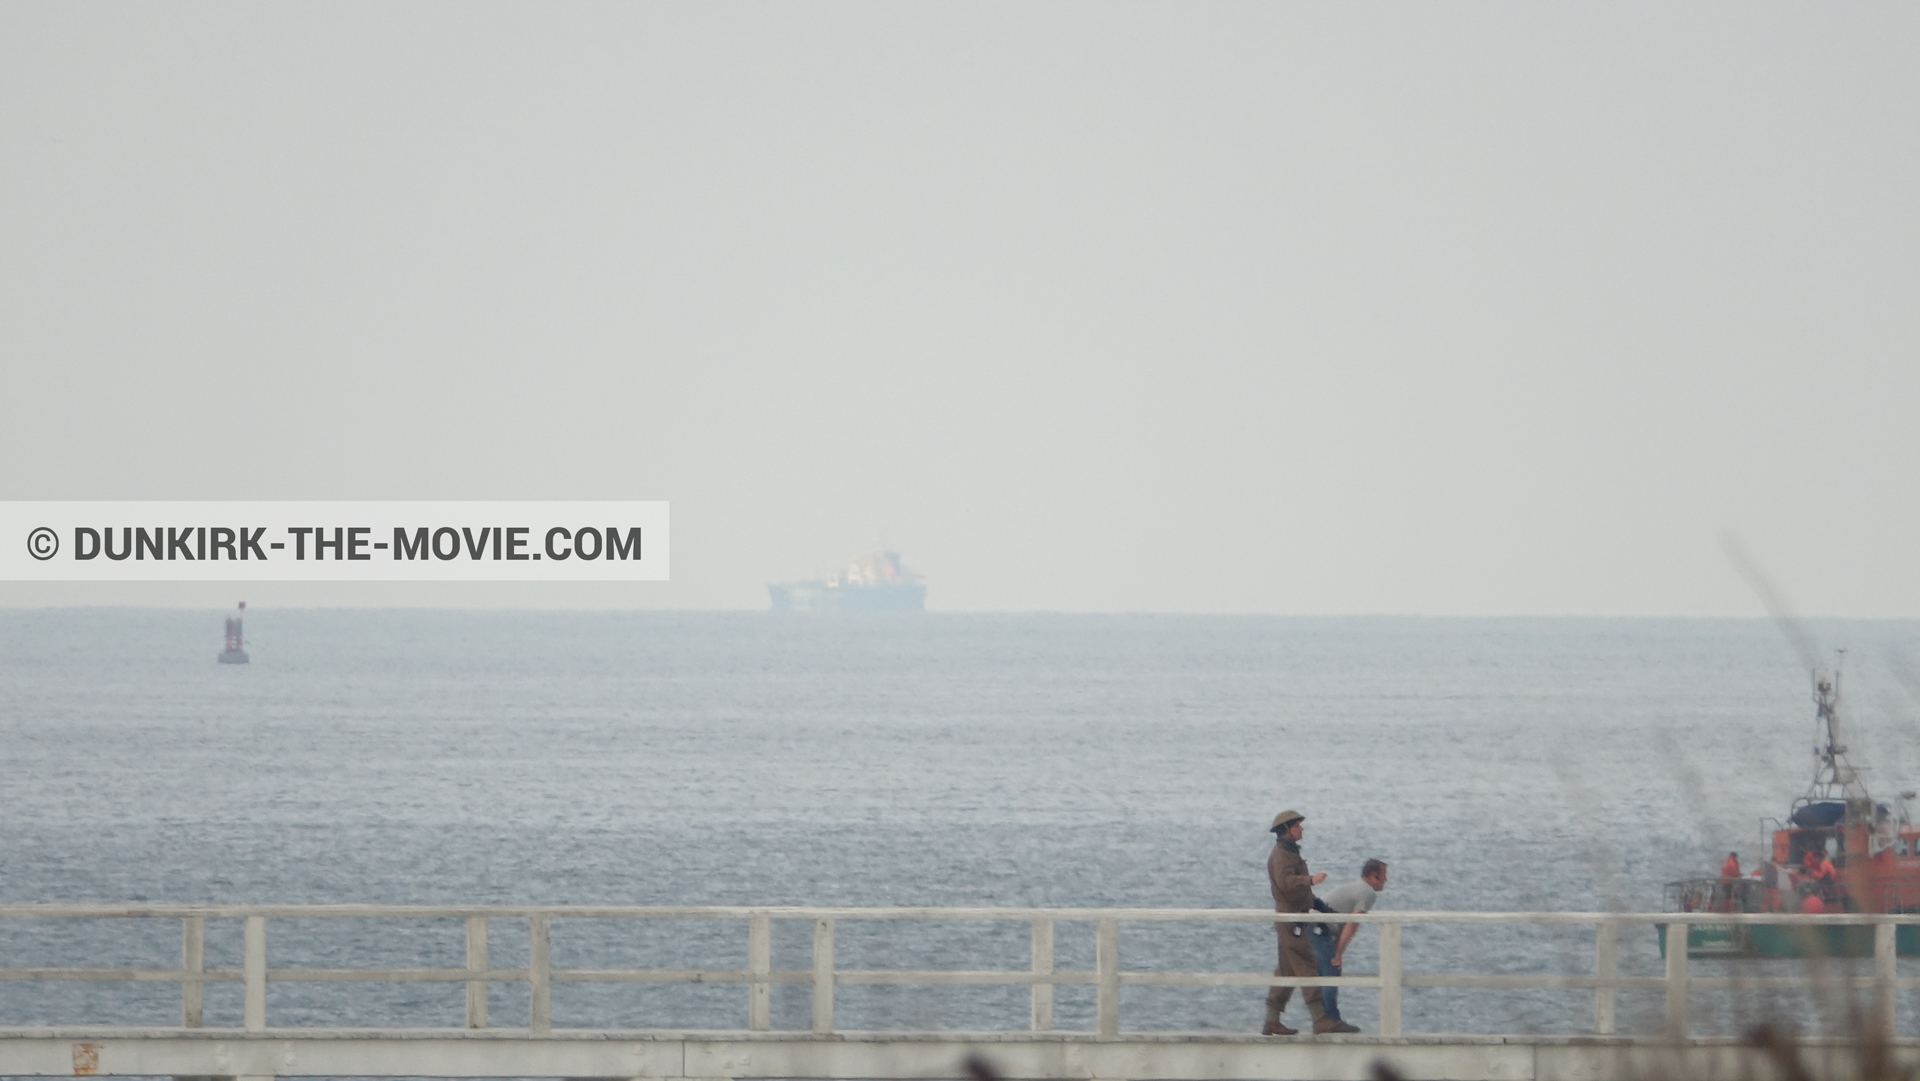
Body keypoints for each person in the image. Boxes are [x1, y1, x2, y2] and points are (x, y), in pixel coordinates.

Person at [1263, 810, 1334, 1036]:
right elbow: (1286, 883)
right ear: (1286, 830)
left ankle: (1272, 1020)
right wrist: (1310, 879)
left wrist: (1320, 906)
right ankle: (1320, 1018)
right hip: (1290, 919)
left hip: (1294, 917)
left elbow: (1299, 891)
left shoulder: (1289, 853)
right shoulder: (1281, 855)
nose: (1301, 829)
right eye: (1297, 826)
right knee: (1306, 964)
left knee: (1287, 971)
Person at [1307, 859, 1386, 1033]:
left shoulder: (1356, 887)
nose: (1385, 881)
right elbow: (1353, 923)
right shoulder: (1368, 892)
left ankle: (1323, 1019)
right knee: (1331, 972)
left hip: (1312, 925)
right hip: (1318, 927)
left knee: (1323, 973)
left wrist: (1336, 949)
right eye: (1383, 877)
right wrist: (1338, 954)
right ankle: (1330, 1020)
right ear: (1374, 876)